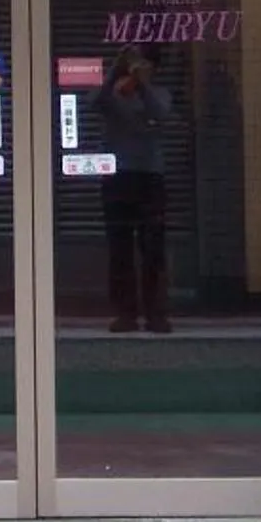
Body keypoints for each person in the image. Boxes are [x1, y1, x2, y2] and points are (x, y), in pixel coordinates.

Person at [95, 48, 171, 334]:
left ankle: (156, 313)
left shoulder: (159, 93)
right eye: (135, 66)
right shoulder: (113, 96)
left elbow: (160, 112)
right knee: (120, 249)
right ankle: (125, 313)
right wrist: (115, 68)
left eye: (144, 65)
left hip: (150, 177)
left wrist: (144, 84)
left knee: (153, 249)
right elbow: (96, 101)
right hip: (117, 176)